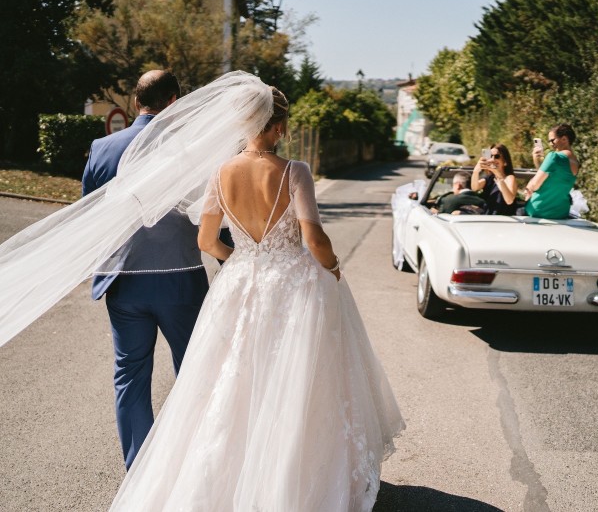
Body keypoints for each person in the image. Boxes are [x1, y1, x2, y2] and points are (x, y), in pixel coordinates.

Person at [108, 81, 404, 510]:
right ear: (279, 127)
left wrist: (243, 259)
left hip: (240, 282)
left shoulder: (220, 172)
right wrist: (333, 265)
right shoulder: (294, 171)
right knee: (295, 378)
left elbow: (207, 241)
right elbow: (314, 236)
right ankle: (287, 478)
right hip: (292, 284)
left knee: (232, 379)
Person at [81, 70, 210, 470]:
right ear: (175, 102)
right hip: (181, 279)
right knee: (194, 373)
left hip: (123, 280)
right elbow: (211, 212)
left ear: (137, 103)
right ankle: (191, 467)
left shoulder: (103, 147)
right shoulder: (193, 151)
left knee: (130, 376)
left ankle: (140, 470)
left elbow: (92, 211)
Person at [523, 124, 580, 219]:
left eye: (552, 140)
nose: (550, 144)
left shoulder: (554, 157)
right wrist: (536, 160)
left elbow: (535, 185)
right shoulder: (576, 162)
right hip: (561, 213)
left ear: (564, 139)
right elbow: (550, 179)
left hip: (539, 210)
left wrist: (529, 187)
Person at [470, 143, 518, 215]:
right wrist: (476, 171)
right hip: (488, 218)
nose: (493, 159)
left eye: (497, 156)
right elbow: (474, 187)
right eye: (491, 156)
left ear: (505, 162)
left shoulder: (509, 178)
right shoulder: (489, 178)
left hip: (505, 221)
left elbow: (509, 200)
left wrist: (498, 175)